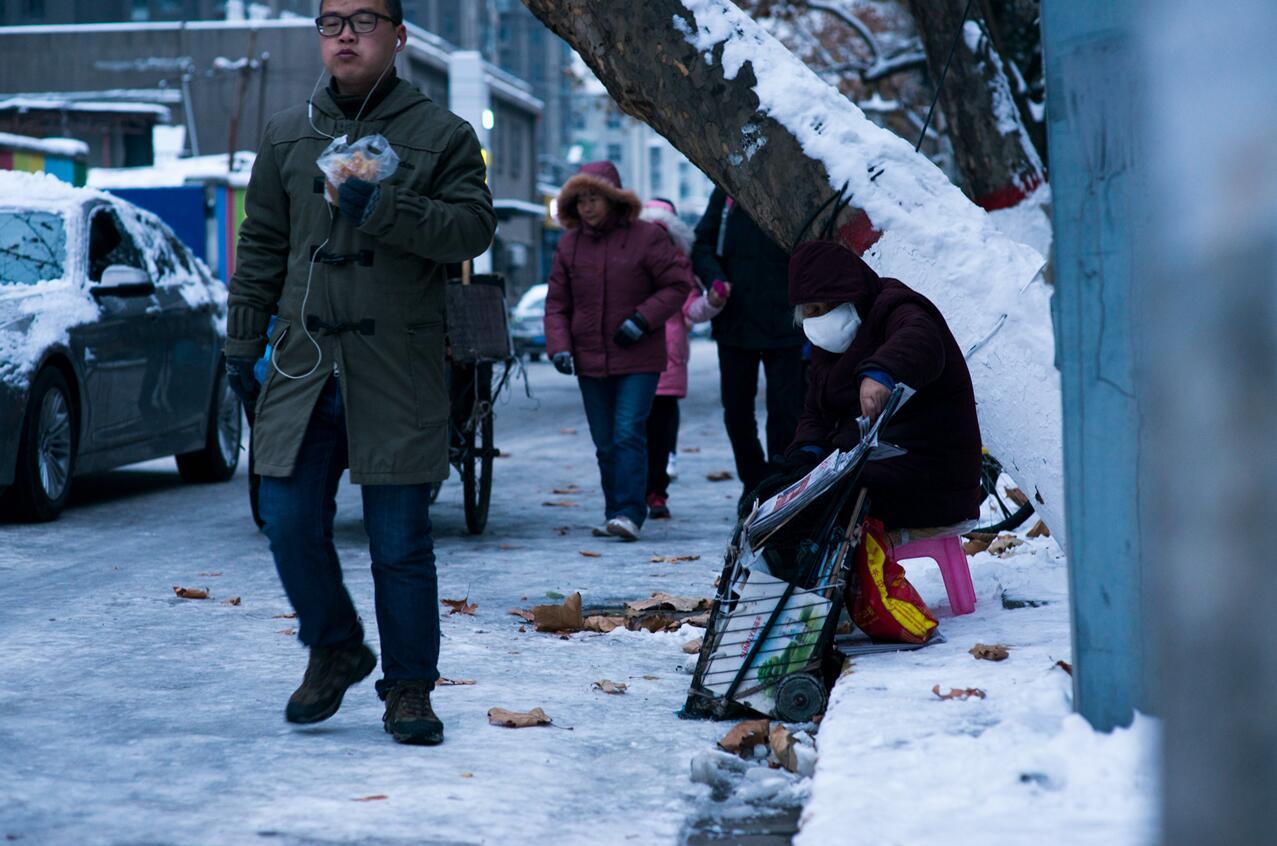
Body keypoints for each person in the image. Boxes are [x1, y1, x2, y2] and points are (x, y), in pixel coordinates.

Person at [222, 0, 496, 746]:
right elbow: (262, 245)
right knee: (283, 518)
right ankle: (335, 644)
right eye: (330, 21)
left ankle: (409, 689)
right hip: (305, 363)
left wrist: (383, 205)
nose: (344, 34)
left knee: (399, 543)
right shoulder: (286, 132)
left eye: (363, 20)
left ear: (398, 36)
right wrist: (241, 343)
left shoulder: (442, 134)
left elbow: (472, 228)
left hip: (396, 366)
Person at [760, 240, 982, 530]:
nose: (815, 322)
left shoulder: (897, 307)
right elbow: (816, 411)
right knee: (775, 498)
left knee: (816, 513)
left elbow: (920, 340)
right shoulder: (828, 349)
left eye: (818, 308)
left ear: (843, 295)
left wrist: (881, 373)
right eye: (808, 313)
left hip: (930, 479)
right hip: (876, 471)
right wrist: (807, 453)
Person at [545, 163, 693, 541]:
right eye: (580, 200)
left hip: (638, 357)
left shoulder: (647, 238)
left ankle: (630, 512)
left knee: (628, 432)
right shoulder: (569, 245)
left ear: (613, 199)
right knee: (605, 441)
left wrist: (642, 320)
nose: (587, 207)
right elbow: (557, 304)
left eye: (594, 198)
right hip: (589, 358)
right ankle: (615, 512)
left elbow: (677, 285)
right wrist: (560, 347)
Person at [693, 187, 806, 499]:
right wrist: (714, 279)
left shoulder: (789, 188)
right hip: (735, 319)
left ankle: (781, 483)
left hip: (785, 320)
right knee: (737, 409)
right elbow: (701, 244)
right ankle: (754, 480)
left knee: (786, 410)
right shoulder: (728, 191)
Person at [638, 198, 728, 520]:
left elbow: (692, 308)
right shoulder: (629, 265)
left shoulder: (680, 268)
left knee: (660, 433)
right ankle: (633, 493)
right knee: (632, 430)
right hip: (633, 356)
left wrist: (713, 302)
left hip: (667, 360)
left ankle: (656, 493)